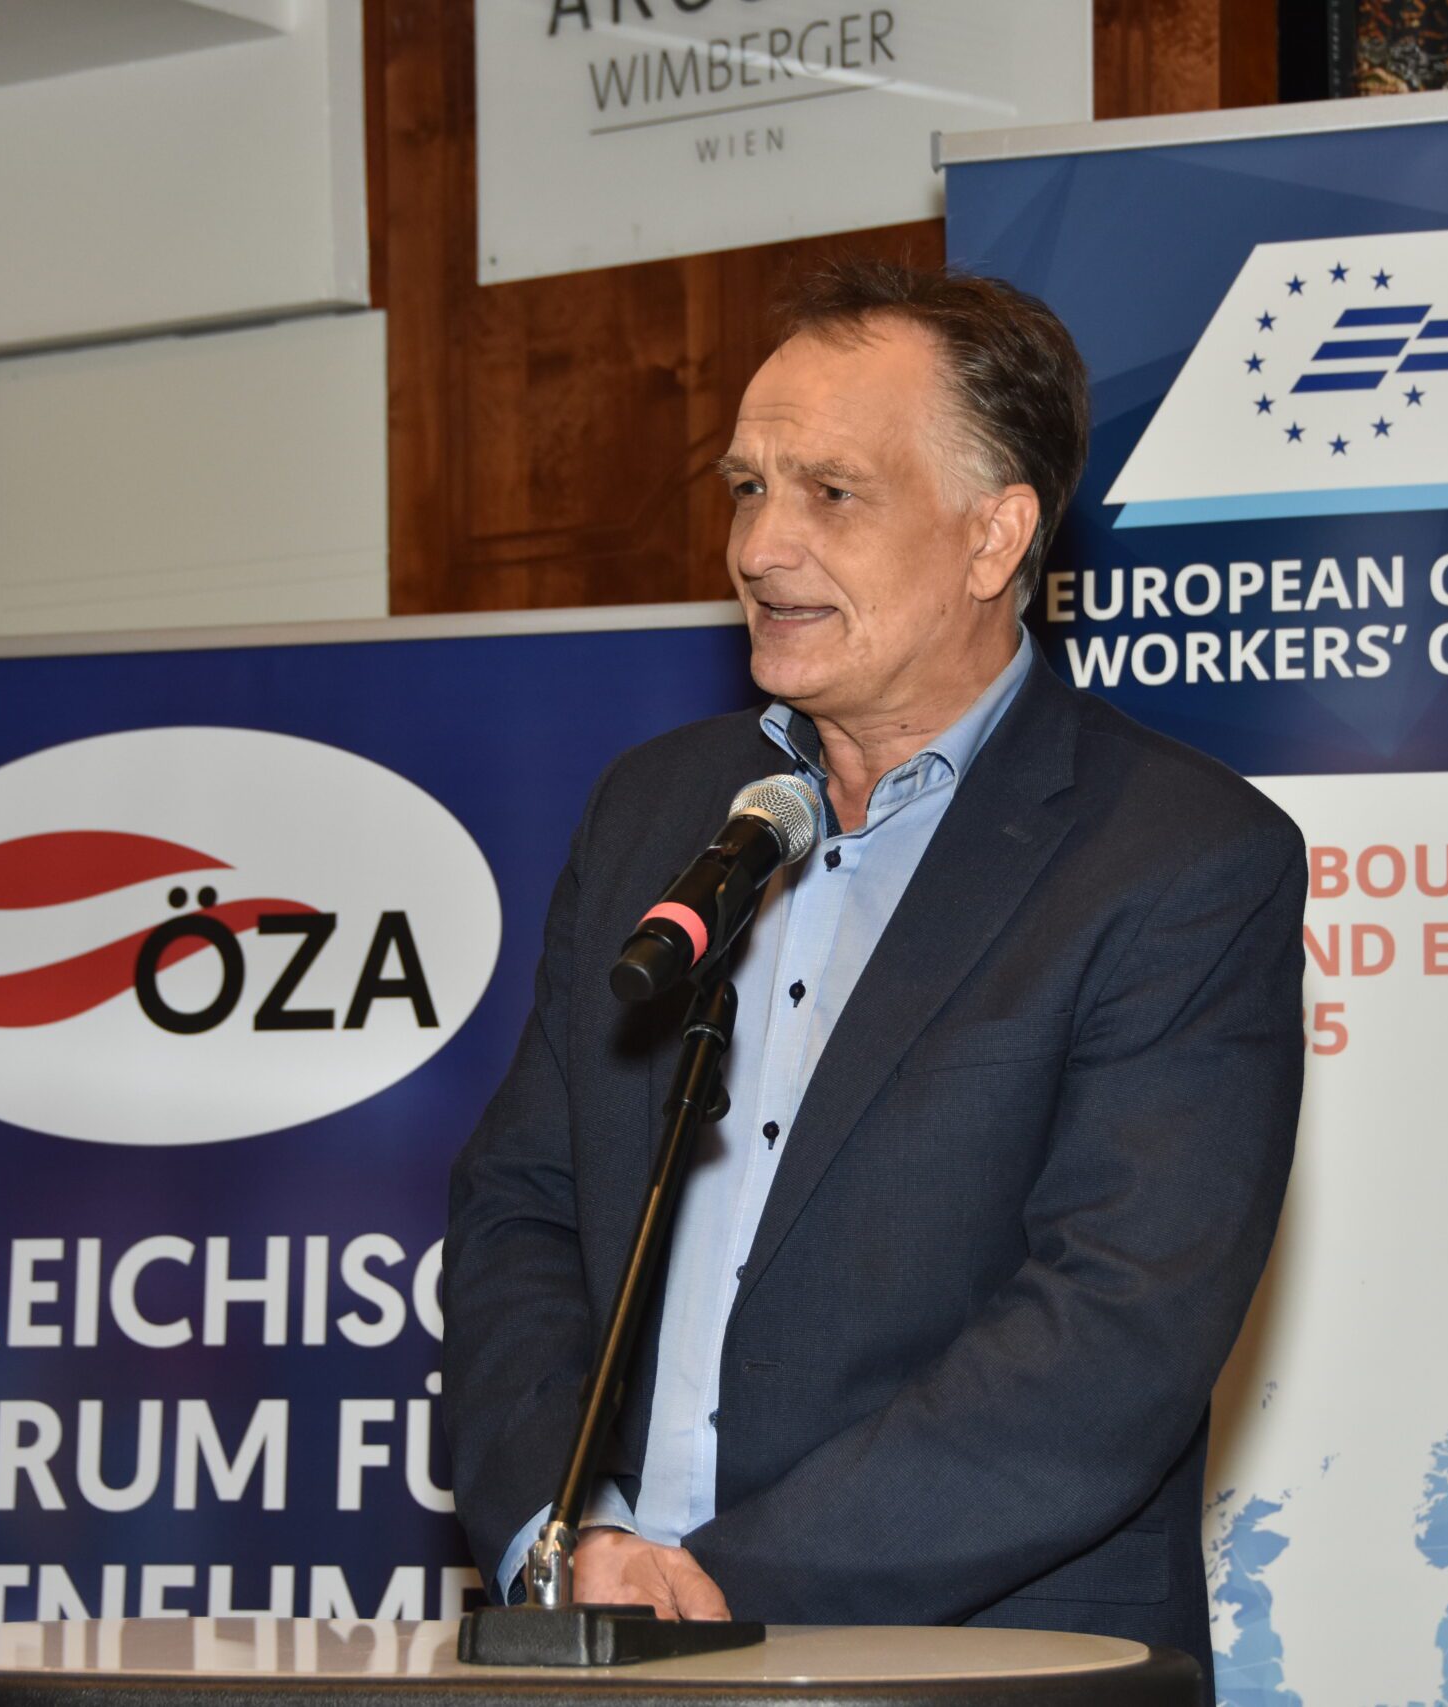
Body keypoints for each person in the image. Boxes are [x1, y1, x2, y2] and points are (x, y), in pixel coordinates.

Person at [442, 260, 1305, 1685]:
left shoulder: (1180, 859)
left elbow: (1117, 1322)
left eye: (831, 493)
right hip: (604, 1646)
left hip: (981, 1667)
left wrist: (721, 1586)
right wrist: (566, 1536)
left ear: (993, 536)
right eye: (746, 488)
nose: (760, 546)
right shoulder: (653, 815)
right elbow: (522, 1208)